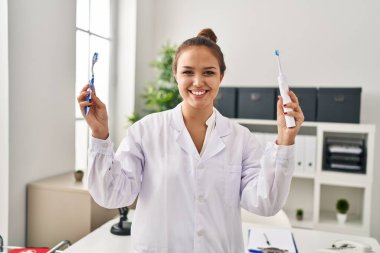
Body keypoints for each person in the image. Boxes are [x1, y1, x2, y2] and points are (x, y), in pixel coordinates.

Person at [77, 28, 304, 253]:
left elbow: (266, 203)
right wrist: (100, 135)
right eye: (187, 72)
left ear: (221, 76)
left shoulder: (240, 139)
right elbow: (113, 195)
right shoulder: (146, 131)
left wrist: (285, 142)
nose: (198, 82)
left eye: (208, 72)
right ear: (175, 74)